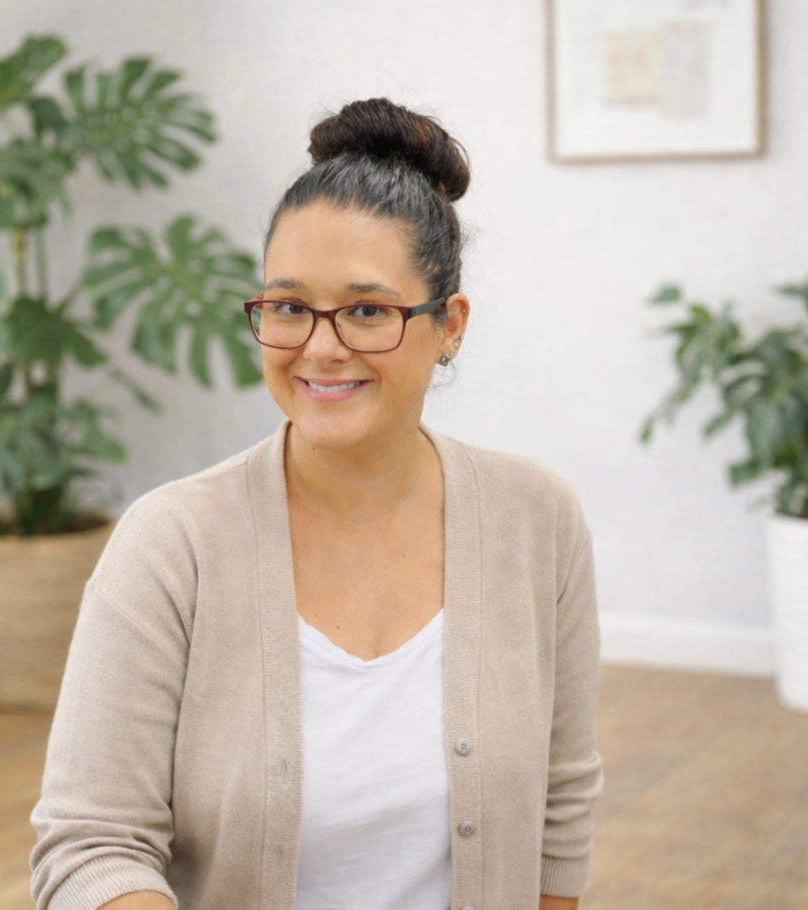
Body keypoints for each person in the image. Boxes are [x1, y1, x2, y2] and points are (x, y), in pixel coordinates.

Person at [31, 97, 603, 910]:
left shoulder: (536, 519)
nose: (321, 347)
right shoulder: (172, 542)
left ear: (450, 327)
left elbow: (561, 810)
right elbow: (89, 845)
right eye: (290, 306)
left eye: (368, 310)